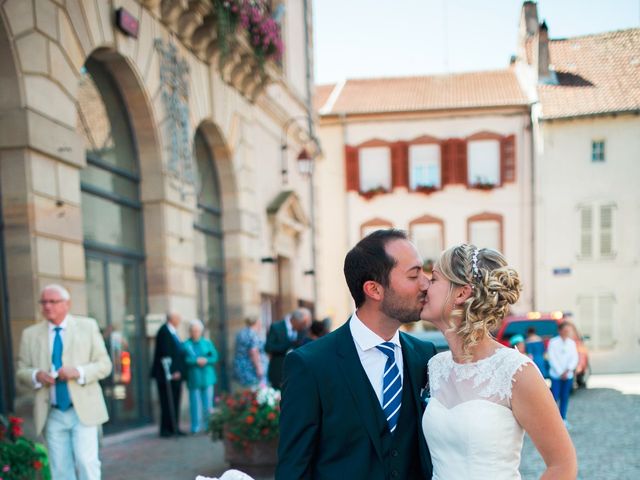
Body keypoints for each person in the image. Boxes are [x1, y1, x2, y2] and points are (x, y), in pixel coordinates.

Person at [276, 229, 437, 479]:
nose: (426, 284)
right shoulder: (310, 365)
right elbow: (293, 468)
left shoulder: (424, 355)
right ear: (374, 289)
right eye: (414, 274)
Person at [421, 244, 577, 479]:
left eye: (433, 279)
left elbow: (562, 465)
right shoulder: (436, 367)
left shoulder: (515, 372)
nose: (424, 286)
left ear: (461, 293)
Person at [16, 284, 112, 480]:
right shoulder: (30, 334)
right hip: (51, 412)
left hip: (82, 410)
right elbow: (21, 370)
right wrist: (36, 375)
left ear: (67, 304)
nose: (47, 306)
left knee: (86, 462)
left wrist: (78, 371)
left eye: (53, 301)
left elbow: (104, 365)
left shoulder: (88, 326)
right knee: (60, 469)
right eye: (44, 302)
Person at [150, 312, 186, 437]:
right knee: (166, 401)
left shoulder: (173, 332)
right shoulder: (164, 332)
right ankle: (166, 429)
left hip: (176, 374)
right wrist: (172, 371)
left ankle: (174, 427)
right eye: (178, 318)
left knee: (175, 400)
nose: (180, 321)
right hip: (167, 374)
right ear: (172, 319)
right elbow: (166, 353)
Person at [183, 319, 219, 434]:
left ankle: (208, 426)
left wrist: (206, 360)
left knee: (208, 404)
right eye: (193, 331)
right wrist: (195, 361)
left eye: (197, 331)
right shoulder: (186, 345)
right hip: (194, 378)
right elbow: (184, 359)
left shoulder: (207, 343)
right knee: (195, 404)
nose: (195, 333)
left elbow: (215, 357)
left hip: (207, 377)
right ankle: (195, 426)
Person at [264, 307, 311, 389]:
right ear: (296, 320)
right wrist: (287, 345)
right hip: (278, 371)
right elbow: (268, 347)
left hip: (297, 372)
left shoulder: (302, 331)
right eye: (303, 324)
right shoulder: (276, 327)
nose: (304, 327)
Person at [548, 321, 579, 424]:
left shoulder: (571, 343)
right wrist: (560, 371)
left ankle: (563, 418)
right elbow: (552, 358)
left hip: (568, 375)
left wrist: (568, 369)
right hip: (556, 375)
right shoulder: (553, 342)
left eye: (568, 331)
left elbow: (574, 358)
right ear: (560, 331)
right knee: (555, 396)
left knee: (565, 397)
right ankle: (553, 419)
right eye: (565, 330)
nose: (567, 332)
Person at [232, 316, 267, 388]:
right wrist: (258, 367)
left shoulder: (241, 332)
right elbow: (253, 351)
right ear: (257, 322)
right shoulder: (252, 334)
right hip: (250, 368)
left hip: (241, 366)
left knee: (245, 391)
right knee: (254, 391)